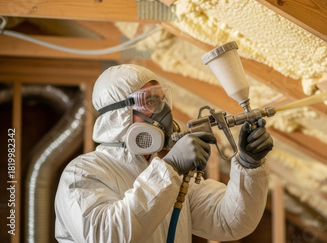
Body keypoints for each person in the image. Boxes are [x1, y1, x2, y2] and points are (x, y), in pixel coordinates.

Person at [54, 64, 273, 243]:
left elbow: (230, 221)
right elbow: (107, 236)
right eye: (150, 101)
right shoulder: (82, 173)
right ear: (119, 115)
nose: (164, 112)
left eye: (162, 100)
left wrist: (249, 164)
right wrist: (170, 168)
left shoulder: (173, 179)